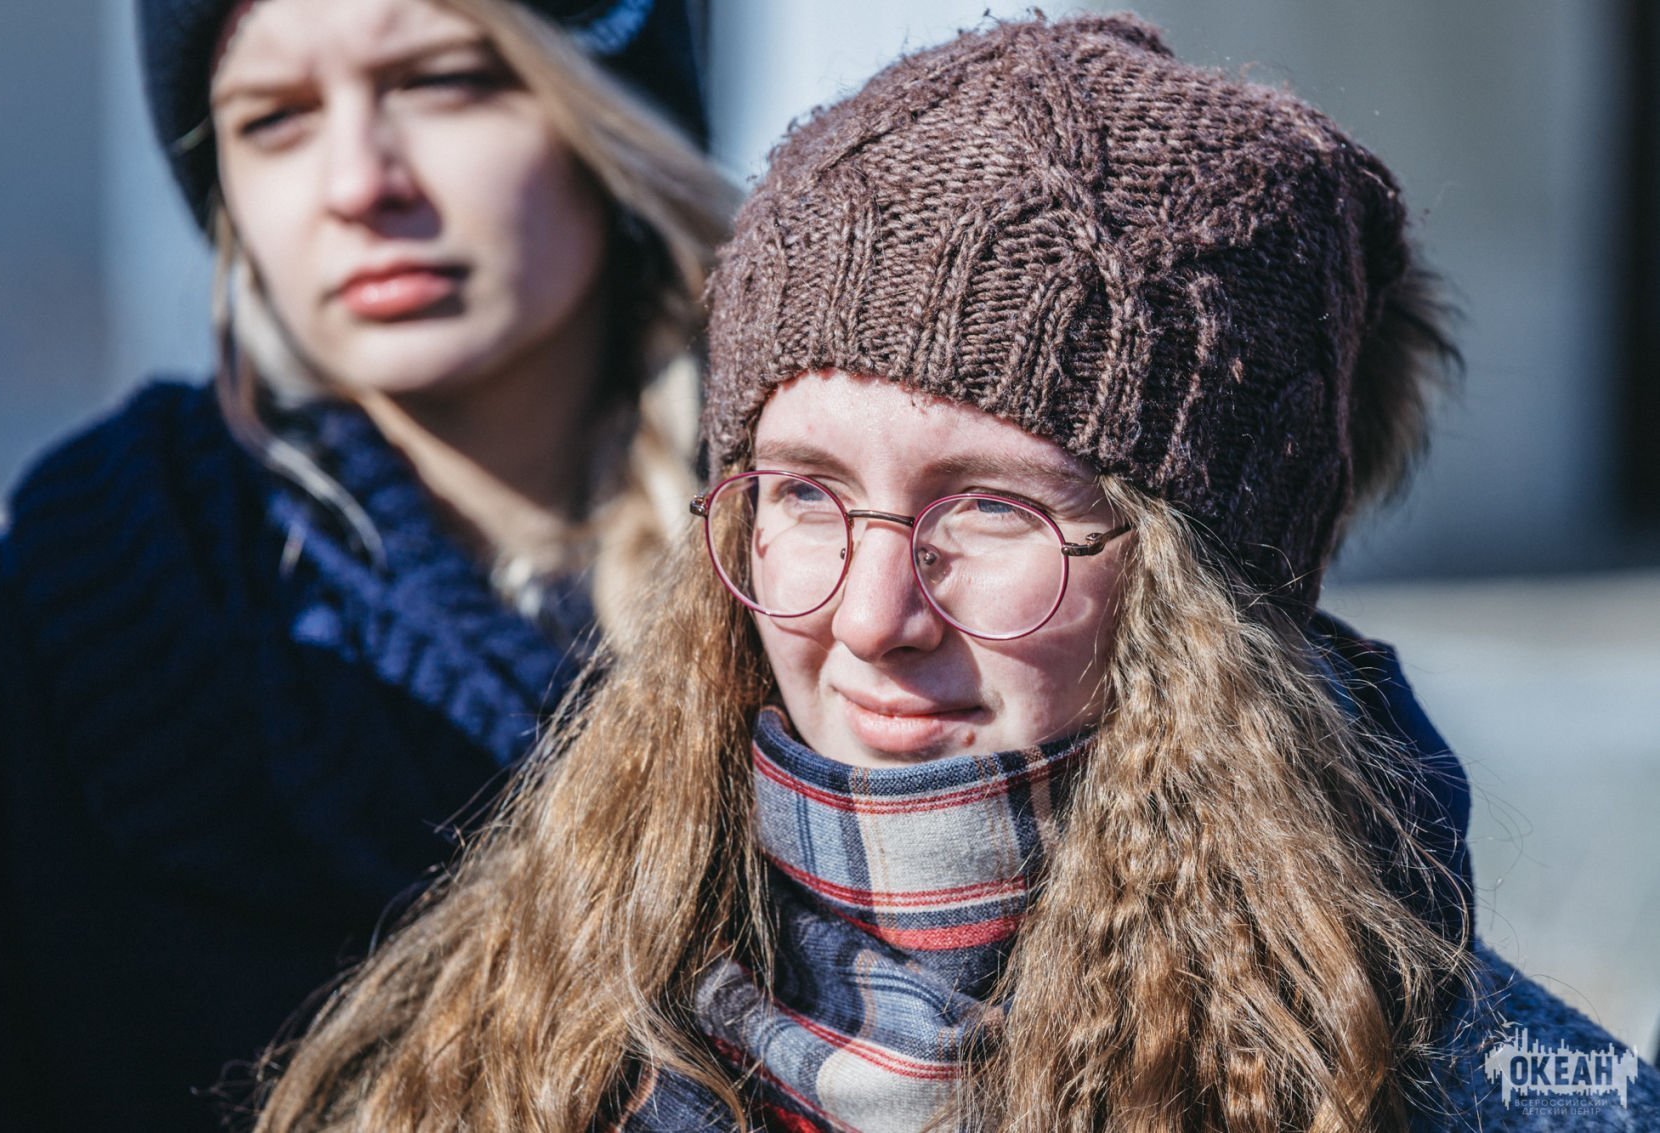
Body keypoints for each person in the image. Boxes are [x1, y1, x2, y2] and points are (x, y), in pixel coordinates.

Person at [253, 14, 1658, 1132]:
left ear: (1205, 590)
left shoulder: (1487, 1093)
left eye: (988, 510)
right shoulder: (507, 1050)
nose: (871, 617)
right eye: (806, 493)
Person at [0, 0, 734, 1128]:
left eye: (443, 80)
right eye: (273, 117)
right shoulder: (70, 614)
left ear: (609, 105)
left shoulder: (835, 563)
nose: (359, 184)